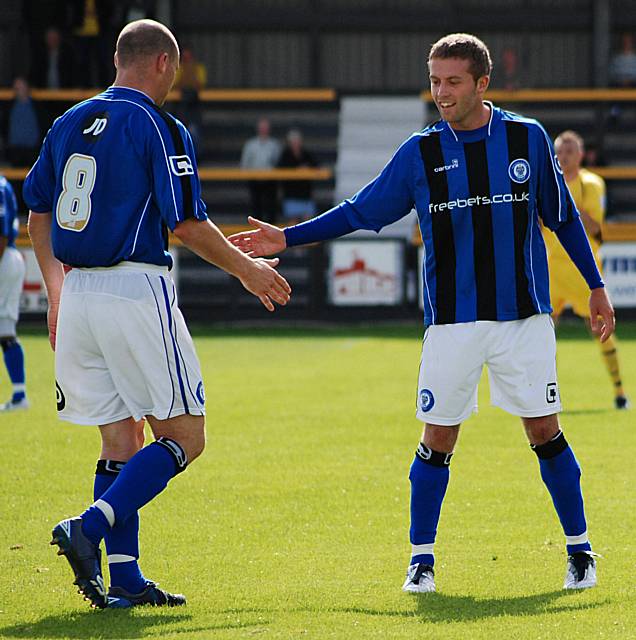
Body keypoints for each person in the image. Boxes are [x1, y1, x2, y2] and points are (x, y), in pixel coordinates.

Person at [229, 33, 615, 594]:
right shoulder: (420, 152)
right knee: (438, 438)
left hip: (521, 320)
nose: (441, 92)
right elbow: (360, 211)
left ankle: (580, 552)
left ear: (482, 83)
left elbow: (563, 219)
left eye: (453, 81)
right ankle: (421, 559)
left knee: (545, 431)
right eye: (435, 80)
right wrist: (288, 237)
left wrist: (596, 285)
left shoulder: (527, 140)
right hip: (451, 323)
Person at [24, 19, 291, 610]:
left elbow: (37, 211)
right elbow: (187, 223)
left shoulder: (68, 120)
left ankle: (124, 582)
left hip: (78, 297)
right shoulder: (157, 123)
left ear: (120, 59)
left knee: (119, 440)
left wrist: (55, 291)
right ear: (165, 64)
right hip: (133, 290)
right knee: (186, 436)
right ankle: (88, 528)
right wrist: (248, 271)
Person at [544, 130, 629, 409]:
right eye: (559, 150)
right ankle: (547, 395)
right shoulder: (547, 183)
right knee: (541, 334)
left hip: (582, 272)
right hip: (551, 270)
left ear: (580, 155)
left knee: (601, 330)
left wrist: (567, 205)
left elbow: (595, 228)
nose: (564, 155)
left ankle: (619, 391)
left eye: (570, 150)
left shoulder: (591, 183)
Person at [0, 175, 28, 412]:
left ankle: (20, 395)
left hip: (4, 258)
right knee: (5, 330)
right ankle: (19, 394)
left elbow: (1, 232)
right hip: (8, 257)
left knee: (5, 331)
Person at [240, 117, 281, 224]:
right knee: (256, 207)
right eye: (262, 127)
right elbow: (245, 163)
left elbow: (278, 162)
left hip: (270, 180)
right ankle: (255, 230)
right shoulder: (251, 144)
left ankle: (272, 231)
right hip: (255, 179)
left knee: (271, 206)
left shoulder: (274, 144)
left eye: (265, 127)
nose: (263, 129)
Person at [277, 128, 318, 224]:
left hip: (305, 195)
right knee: (293, 223)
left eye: (297, 141)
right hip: (291, 194)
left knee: (309, 223)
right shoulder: (285, 155)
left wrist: (307, 168)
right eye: (293, 141)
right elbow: (280, 169)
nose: (296, 143)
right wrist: (297, 169)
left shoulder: (306, 154)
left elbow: (316, 166)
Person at [5, 77, 42, 167]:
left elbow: (43, 125)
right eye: (16, 87)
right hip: (15, 150)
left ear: (27, 87)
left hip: (33, 150)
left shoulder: (38, 106)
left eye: (21, 86)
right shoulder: (9, 106)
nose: (18, 89)